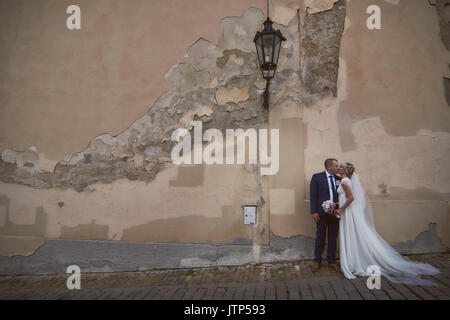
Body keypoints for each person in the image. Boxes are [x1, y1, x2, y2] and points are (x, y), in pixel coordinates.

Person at [335, 162, 440, 285]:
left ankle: (353, 263)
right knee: (353, 236)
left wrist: (340, 209)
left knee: (352, 235)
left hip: (347, 211)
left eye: (341, 167)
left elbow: (351, 198)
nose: (338, 168)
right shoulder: (344, 180)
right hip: (347, 211)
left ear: (346, 171)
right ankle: (353, 261)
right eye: (338, 166)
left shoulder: (344, 181)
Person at [309, 158, 342, 273]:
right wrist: (314, 212)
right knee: (320, 237)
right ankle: (317, 260)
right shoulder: (317, 177)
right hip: (321, 214)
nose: (338, 167)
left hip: (335, 214)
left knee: (333, 237)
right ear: (329, 167)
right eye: (336, 166)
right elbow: (313, 195)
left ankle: (331, 261)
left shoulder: (339, 179)